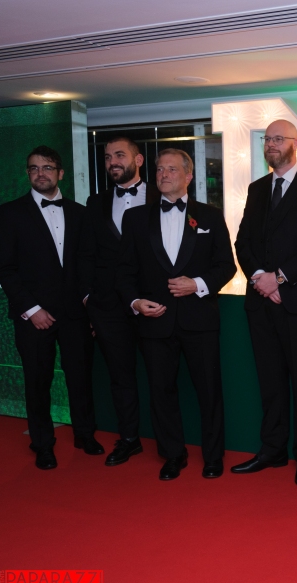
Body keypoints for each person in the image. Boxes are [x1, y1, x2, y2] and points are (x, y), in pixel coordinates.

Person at [117, 148, 236, 480]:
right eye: (159, 169)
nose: (164, 174)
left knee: (209, 392)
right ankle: (172, 454)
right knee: (161, 392)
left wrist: (197, 284)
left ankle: (213, 455)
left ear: (189, 176)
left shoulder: (210, 216)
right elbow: (123, 271)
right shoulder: (135, 218)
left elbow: (226, 265)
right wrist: (135, 302)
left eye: (171, 169)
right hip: (154, 321)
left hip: (199, 320)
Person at [232, 119, 297, 485]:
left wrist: (278, 278)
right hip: (260, 304)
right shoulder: (257, 188)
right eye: (267, 139)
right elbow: (243, 241)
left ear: (295, 143)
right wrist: (261, 278)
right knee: (270, 383)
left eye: (278, 139)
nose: (271, 144)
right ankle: (272, 449)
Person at [0, 145, 102, 469]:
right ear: (28, 173)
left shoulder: (80, 213)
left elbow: (87, 264)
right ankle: (42, 443)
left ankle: (85, 434)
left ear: (60, 173)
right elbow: (5, 269)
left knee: (80, 378)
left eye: (47, 167)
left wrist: (90, 307)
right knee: (37, 381)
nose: (40, 173)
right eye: (34, 168)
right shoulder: (8, 213)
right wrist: (32, 309)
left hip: (75, 314)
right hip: (33, 316)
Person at [85, 137, 157, 466]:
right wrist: (88, 298)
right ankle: (129, 439)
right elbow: (85, 254)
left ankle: (169, 443)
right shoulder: (95, 202)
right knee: (120, 376)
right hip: (108, 307)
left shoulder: (161, 196)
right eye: (107, 157)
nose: (112, 161)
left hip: (151, 303)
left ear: (138, 160)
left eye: (119, 155)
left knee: (160, 376)